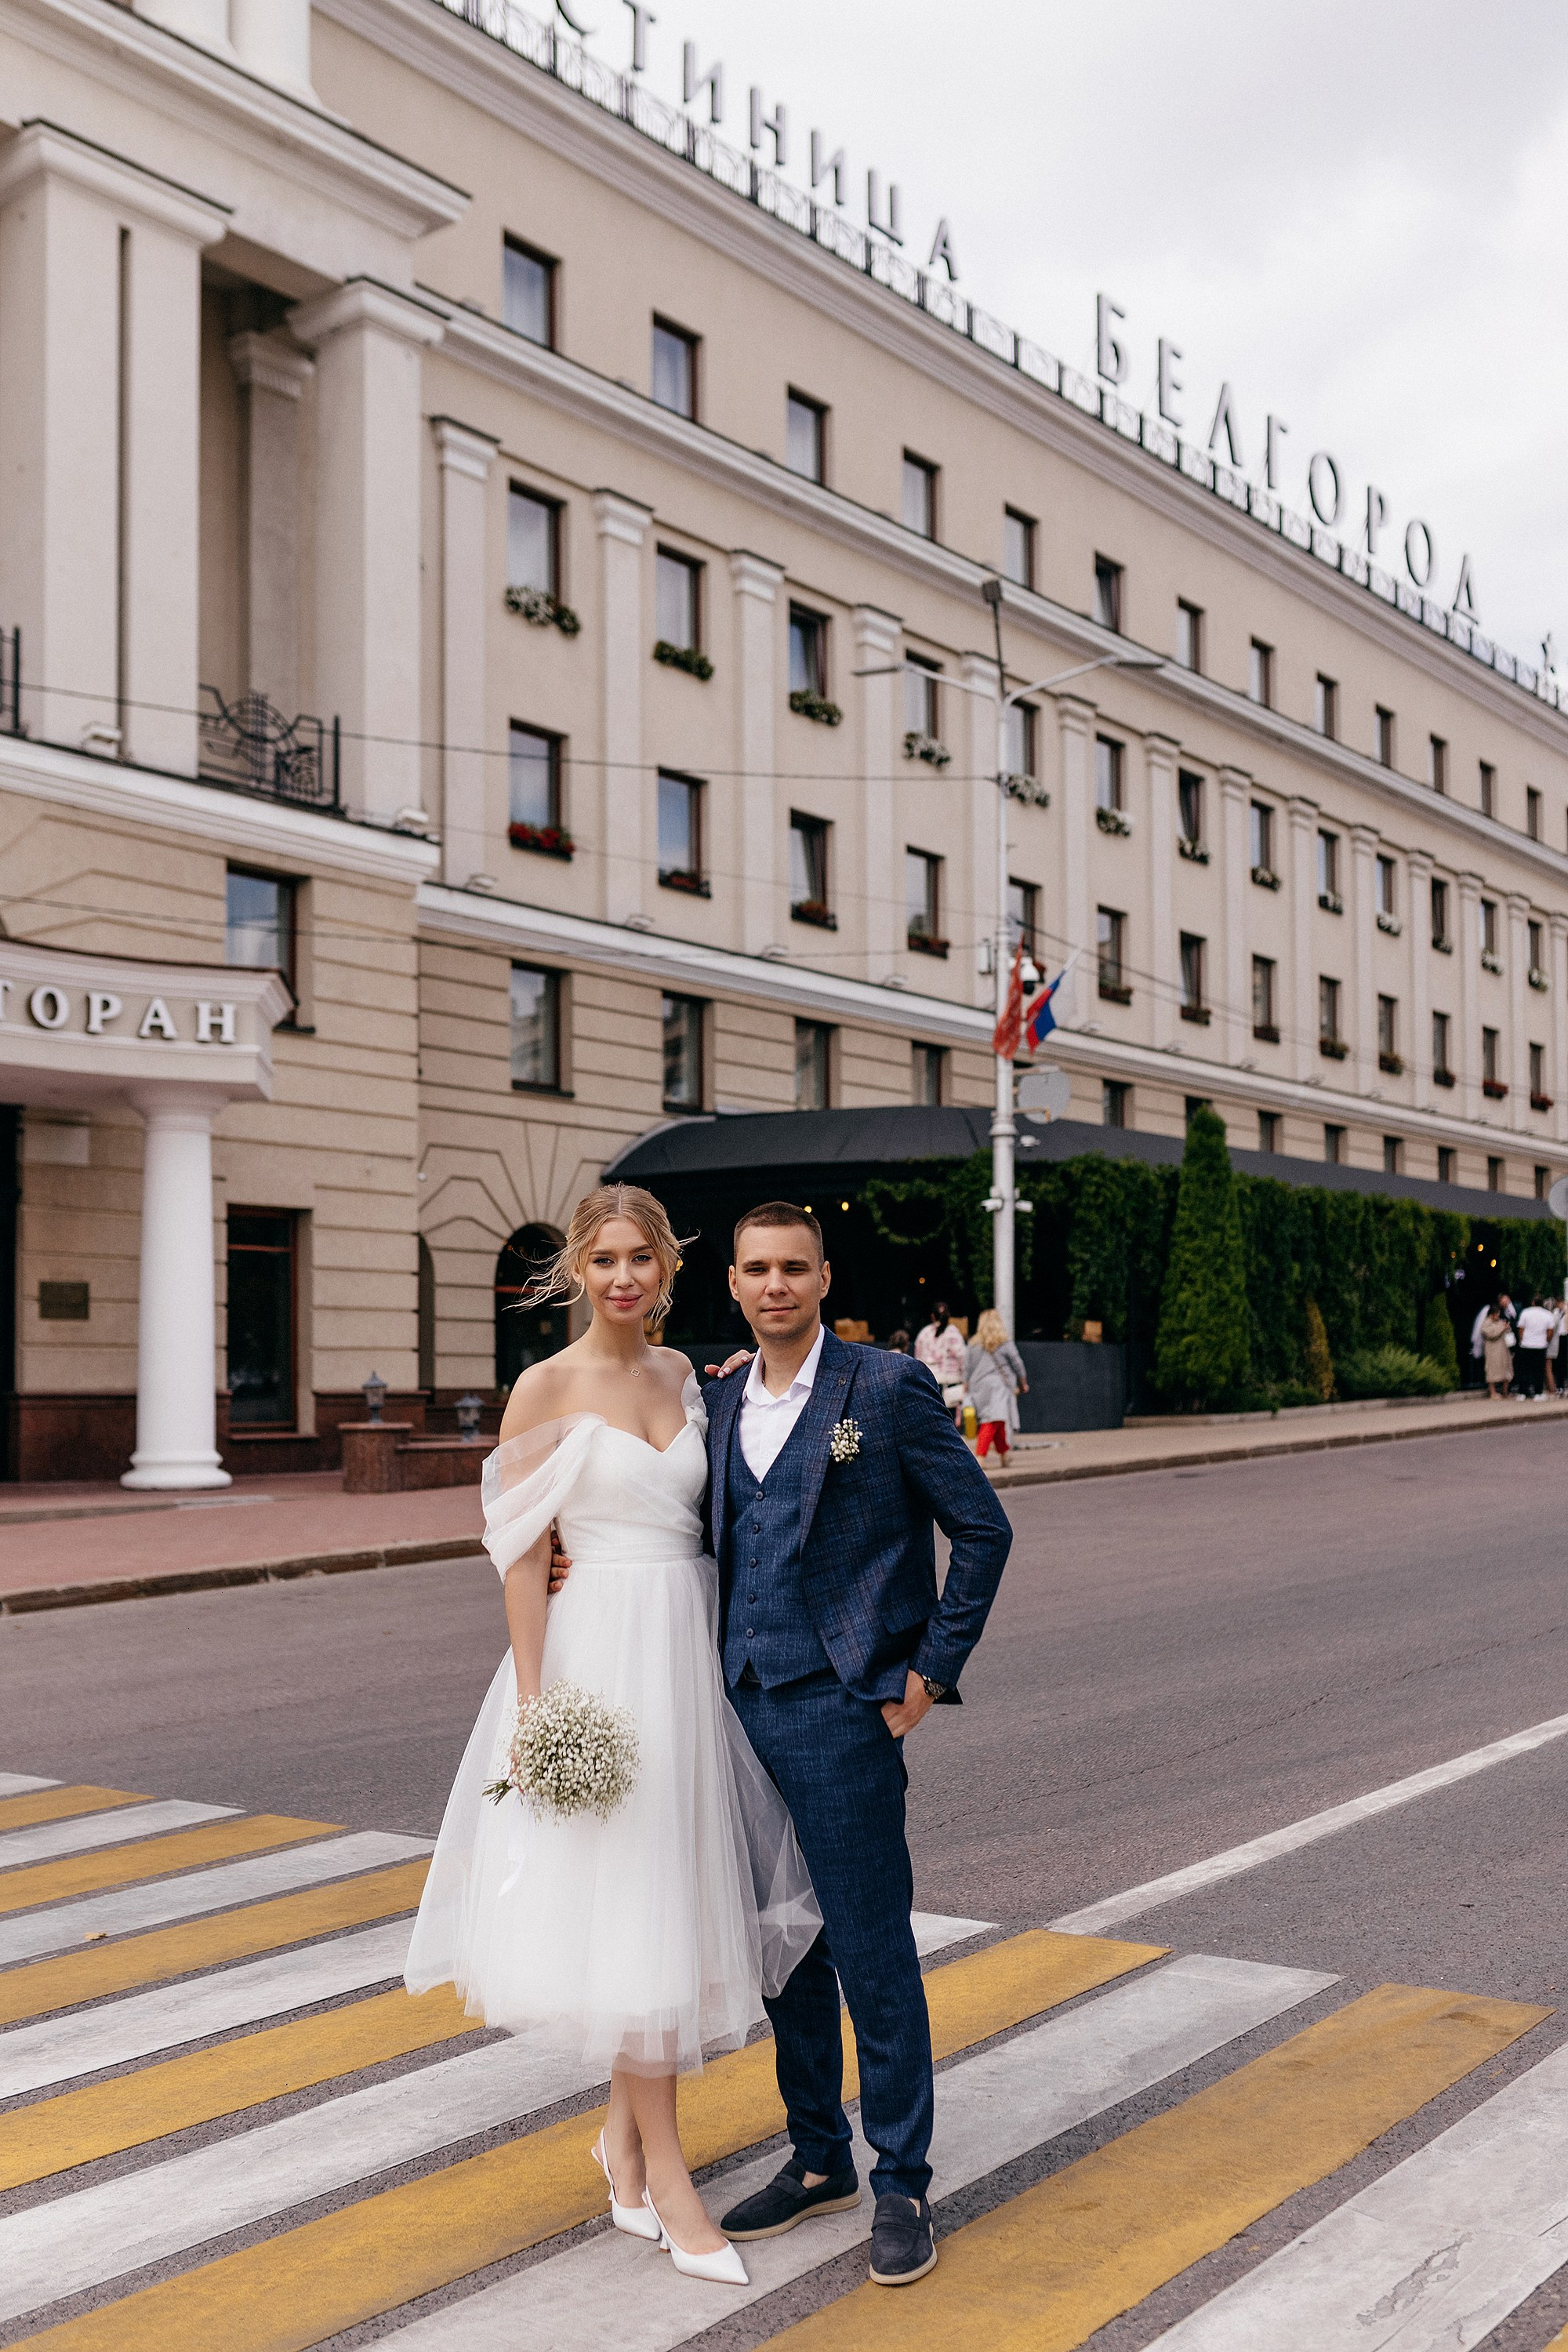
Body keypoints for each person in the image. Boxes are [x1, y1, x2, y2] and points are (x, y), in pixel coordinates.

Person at [404, 1184, 820, 2288]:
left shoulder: (690, 1376)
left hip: (686, 1651)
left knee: (665, 1898)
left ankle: (621, 2148)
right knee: (637, 1903)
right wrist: (536, 1706)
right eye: (605, 1260)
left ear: (668, 1268)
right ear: (577, 1271)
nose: (624, 1277)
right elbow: (520, 1558)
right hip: (595, 1662)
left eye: (642, 1258)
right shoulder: (543, 1387)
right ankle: (669, 2180)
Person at [597, 1201, 1006, 2287]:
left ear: (824, 1280)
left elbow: (982, 1528)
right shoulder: (720, 1398)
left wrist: (930, 1672)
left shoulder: (886, 1387)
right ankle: (819, 2154)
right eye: (756, 1269)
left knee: (870, 1948)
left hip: (840, 1709)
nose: (774, 1285)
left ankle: (902, 2180)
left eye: (793, 1268)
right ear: (732, 1284)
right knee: (785, 1949)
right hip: (732, 1708)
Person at [964, 1308, 1029, 1461]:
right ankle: (980, 1456)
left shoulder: (973, 1344)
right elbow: (1017, 1363)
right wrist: (1023, 1383)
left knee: (996, 1419)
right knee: (991, 1421)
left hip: (978, 1387)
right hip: (998, 1386)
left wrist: (966, 1385)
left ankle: (1004, 1454)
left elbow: (967, 1367)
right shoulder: (1004, 1342)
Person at [913, 1300, 967, 1421]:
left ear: (932, 1316)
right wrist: (965, 1380)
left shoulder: (924, 1334)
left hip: (928, 1385)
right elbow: (962, 1358)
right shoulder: (953, 1333)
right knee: (949, 1422)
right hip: (949, 1385)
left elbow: (917, 1358)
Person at [1515, 1293, 1555, 1397]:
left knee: (1525, 1370)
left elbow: (1521, 1329)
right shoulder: (1548, 1315)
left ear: (1533, 1302)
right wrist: (1546, 1340)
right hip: (1540, 1345)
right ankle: (1538, 1392)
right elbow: (1550, 1331)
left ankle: (1523, 1392)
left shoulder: (1525, 1312)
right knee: (1539, 1370)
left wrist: (1521, 1340)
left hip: (1526, 1344)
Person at [1481, 1300, 1515, 1399]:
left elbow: (1507, 1332)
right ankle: (1493, 1393)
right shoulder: (1486, 1324)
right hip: (1493, 1351)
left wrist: (1507, 1328)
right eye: (1497, 1314)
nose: (1498, 1316)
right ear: (1492, 1314)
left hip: (1504, 1351)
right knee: (1492, 1371)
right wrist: (1502, 1328)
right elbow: (1491, 1334)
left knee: (1507, 1371)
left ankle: (1505, 1392)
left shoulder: (1500, 1322)